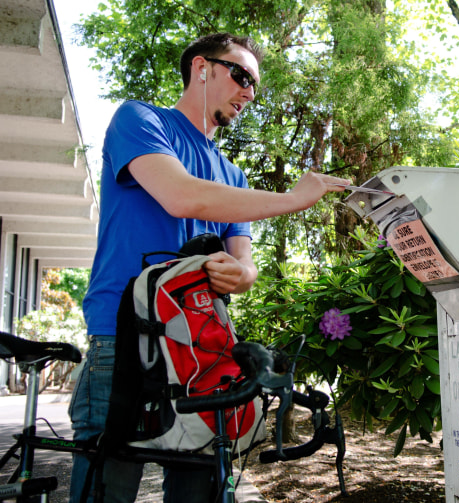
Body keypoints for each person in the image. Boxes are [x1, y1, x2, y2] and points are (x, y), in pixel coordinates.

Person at [68, 32, 349, 502]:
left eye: (254, 87)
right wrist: (293, 199)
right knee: (106, 490)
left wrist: (243, 274)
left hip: (202, 349)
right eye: (241, 76)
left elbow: (246, 262)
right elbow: (180, 195)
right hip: (123, 343)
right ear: (202, 68)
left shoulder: (233, 177)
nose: (249, 93)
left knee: (202, 491)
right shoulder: (138, 120)